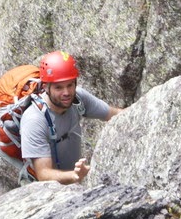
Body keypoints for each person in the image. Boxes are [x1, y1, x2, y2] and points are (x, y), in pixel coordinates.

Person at [20, 51, 122, 184]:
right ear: (46, 87)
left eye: (70, 85)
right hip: (41, 190)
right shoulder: (35, 120)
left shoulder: (78, 98)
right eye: (59, 88)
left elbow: (113, 114)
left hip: (73, 182)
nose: (66, 93)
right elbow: (43, 173)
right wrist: (74, 175)